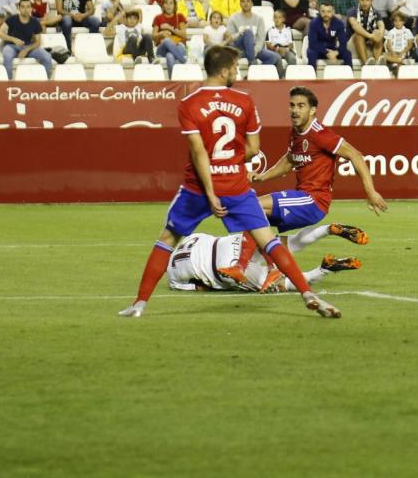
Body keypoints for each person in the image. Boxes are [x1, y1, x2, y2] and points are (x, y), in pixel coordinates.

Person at [119, 46, 341, 319]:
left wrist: (211, 192)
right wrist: (231, 161)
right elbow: (253, 148)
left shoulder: (189, 104)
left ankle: (139, 304)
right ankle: (307, 293)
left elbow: (199, 152)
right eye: (235, 67)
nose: (237, 72)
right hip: (236, 185)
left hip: (198, 188)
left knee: (167, 240)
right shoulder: (245, 101)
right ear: (224, 71)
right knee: (268, 240)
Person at [234, 86, 386, 277]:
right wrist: (263, 176)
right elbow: (290, 160)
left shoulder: (320, 134)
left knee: (252, 207)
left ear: (312, 110)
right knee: (256, 225)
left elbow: (355, 155)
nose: (295, 110)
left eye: (301, 106)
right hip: (304, 199)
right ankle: (253, 269)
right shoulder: (296, 132)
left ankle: (254, 268)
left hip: (313, 200)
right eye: (291, 105)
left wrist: (370, 191)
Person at [166, 230, 362, 293]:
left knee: (281, 285)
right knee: (278, 243)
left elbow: (200, 288)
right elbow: (211, 238)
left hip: (220, 267)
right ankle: (326, 230)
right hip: (231, 242)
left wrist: (221, 286)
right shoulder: (191, 238)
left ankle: (323, 270)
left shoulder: (173, 279)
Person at [226, 0, 283, 73]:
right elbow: (229, 37)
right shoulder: (233, 18)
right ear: (240, 4)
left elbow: (260, 39)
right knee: (248, 32)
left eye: (248, 1)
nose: (245, 3)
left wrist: (253, 52)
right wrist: (240, 33)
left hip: (254, 49)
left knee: (275, 57)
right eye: (243, 1)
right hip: (239, 49)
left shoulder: (259, 19)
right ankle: (252, 62)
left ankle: (254, 73)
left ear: (252, 3)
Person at [0, 0, 52, 80]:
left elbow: (38, 42)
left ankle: (46, 83)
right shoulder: (12, 19)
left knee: (47, 57)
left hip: (29, 47)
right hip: (12, 46)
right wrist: (13, 39)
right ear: (19, 8)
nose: (25, 9)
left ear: (31, 8)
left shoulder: (35, 22)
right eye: (23, 7)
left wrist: (26, 50)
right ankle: (8, 84)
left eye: (28, 7)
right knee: (7, 55)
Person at [307, 0, 352, 65]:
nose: (326, 14)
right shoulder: (314, 23)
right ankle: (312, 74)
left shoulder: (339, 23)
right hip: (318, 49)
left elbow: (343, 43)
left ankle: (348, 74)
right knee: (311, 52)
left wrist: (336, 52)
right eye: (323, 11)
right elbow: (312, 43)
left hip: (332, 48)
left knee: (347, 53)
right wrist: (327, 52)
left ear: (333, 12)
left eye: (329, 11)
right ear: (319, 11)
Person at [152, 0, 188, 76]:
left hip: (179, 46)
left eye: (171, 3)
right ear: (163, 5)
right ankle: (184, 61)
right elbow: (153, 36)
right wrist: (161, 34)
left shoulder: (180, 16)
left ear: (175, 5)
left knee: (170, 56)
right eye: (166, 3)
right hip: (162, 49)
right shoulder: (158, 18)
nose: (168, 5)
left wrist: (170, 28)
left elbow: (184, 35)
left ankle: (172, 82)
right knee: (167, 40)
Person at [348, 0, 386, 65]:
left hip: (368, 44)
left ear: (371, 1)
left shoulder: (376, 13)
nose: (365, 3)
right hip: (352, 44)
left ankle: (376, 62)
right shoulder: (352, 11)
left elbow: (381, 26)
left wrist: (379, 34)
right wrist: (370, 36)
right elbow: (355, 26)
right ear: (358, 0)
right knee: (359, 35)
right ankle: (366, 65)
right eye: (362, 0)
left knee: (378, 33)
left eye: (367, 0)